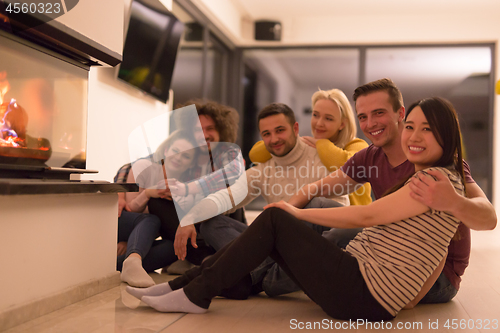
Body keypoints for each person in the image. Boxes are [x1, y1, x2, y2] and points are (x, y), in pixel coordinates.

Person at [126, 97, 468, 320]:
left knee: (276, 216)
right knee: (253, 220)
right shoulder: (436, 178)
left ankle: (196, 290)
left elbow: (366, 215)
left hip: (364, 292)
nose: (414, 136)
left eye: (427, 130)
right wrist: (192, 215)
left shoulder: (435, 180)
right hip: (359, 280)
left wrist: (298, 213)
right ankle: (187, 286)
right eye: (411, 128)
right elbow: (228, 195)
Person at [288, 78, 497, 304]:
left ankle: (266, 279)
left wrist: (454, 201)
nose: (370, 124)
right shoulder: (370, 156)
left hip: (434, 275)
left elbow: (489, 217)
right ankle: (265, 266)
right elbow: (316, 189)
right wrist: (284, 211)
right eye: (363, 117)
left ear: (400, 113)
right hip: (385, 252)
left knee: (340, 235)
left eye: (379, 113)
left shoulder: (442, 165)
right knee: (316, 204)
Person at [171, 102, 349, 298]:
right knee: (211, 223)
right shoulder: (263, 169)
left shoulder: (321, 157)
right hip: (276, 254)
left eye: (280, 130)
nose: (274, 139)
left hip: (312, 249)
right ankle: (256, 278)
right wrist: (190, 217)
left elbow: (339, 215)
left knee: (313, 206)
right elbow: (227, 197)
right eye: (267, 134)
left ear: (295, 128)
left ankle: (248, 277)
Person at [147, 100, 246, 266]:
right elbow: (149, 162)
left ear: (222, 130)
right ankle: (204, 260)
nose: (204, 135)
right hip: (195, 229)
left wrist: (189, 189)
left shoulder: (229, 151)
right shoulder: (188, 155)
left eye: (210, 129)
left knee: (228, 199)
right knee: (157, 201)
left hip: (222, 223)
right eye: (198, 130)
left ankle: (204, 260)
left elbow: (232, 173)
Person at [249, 88, 371, 206]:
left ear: (342, 124)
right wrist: (285, 140)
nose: (319, 123)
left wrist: (321, 143)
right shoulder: (310, 145)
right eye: (315, 115)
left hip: (356, 223)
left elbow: (346, 168)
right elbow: (255, 155)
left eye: (328, 118)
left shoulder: (357, 145)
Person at [116, 129, 199, 287]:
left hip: (143, 234)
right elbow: (130, 209)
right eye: (176, 151)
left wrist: (136, 241)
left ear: (191, 163)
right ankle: (132, 259)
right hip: (126, 222)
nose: (179, 158)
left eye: (186, 156)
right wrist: (148, 193)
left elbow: (167, 224)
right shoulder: (144, 166)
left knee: (173, 247)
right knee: (151, 219)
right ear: (166, 150)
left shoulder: (184, 186)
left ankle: (119, 265)